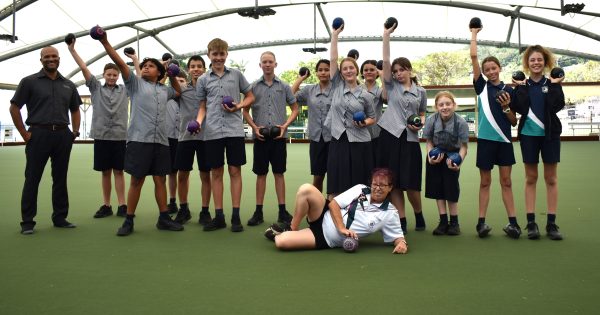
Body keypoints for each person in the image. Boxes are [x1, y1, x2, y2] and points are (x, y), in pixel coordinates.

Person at [98, 30, 183, 236]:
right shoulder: (134, 84)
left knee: (160, 179)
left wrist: (172, 75)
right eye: (144, 65)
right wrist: (105, 41)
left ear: (159, 73)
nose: (145, 67)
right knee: (136, 180)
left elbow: (178, 90)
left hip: (161, 142)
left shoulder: (164, 90)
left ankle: (164, 218)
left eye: (151, 66)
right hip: (139, 141)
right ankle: (129, 220)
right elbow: (118, 61)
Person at [9, 46, 82, 234]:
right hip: (38, 134)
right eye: (47, 56)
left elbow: (75, 109)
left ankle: (60, 217)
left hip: (62, 136)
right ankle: (27, 222)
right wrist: (24, 133)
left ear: (59, 59)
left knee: (60, 178)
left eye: (54, 56)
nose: (51, 59)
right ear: (40, 60)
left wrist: (74, 131)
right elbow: (14, 108)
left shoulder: (68, 84)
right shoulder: (29, 82)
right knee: (32, 178)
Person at [264, 168, 408, 254]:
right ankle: (293, 228)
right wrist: (341, 228)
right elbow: (333, 204)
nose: (377, 188)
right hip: (323, 213)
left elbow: (397, 236)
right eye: (375, 184)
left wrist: (401, 244)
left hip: (327, 237)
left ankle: (284, 234)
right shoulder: (361, 189)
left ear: (390, 187)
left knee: (281, 242)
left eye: (382, 185)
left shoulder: (390, 212)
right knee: (305, 189)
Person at [194, 38, 255, 232]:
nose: (218, 58)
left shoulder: (236, 75)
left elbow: (251, 96)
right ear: (209, 55)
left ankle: (235, 216)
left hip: (234, 131)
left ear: (226, 55)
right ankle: (219, 216)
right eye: (215, 54)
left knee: (235, 172)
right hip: (212, 131)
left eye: (222, 54)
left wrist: (238, 106)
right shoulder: (203, 80)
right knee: (216, 173)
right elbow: (202, 107)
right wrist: (198, 122)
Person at [67, 37, 129, 219]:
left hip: (119, 136)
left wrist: (134, 61)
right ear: (103, 75)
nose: (111, 77)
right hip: (102, 136)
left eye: (114, 75)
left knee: (119, 172)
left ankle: (122, 205)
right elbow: (84, 68)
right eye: (108, 74)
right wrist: (72, 50)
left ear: (118, 76)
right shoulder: (95, 88)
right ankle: (106, 205)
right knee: (105, 172)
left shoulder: (126, 90)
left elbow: (136, 77)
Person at [469, 27, 520, 239]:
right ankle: (481, 223)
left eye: (493, 68)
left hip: (504, 141)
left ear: (500, 68)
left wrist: (507, 107)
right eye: (486, 69)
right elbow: (473, 56)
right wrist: (474, 33)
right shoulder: (481, 87)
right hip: (486, 142)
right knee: (485, 182)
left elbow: (514, 121)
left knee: (506, 182)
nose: (490, 71)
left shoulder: (510, 90)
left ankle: (513, 223)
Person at [510, 45, 565, 241]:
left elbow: (557, 105)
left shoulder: (552, 83)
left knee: (551, 179)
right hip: (528, 135)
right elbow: (518, 106)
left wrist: (555, 84)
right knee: (531, 178)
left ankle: (551, 223)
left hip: (549, 136)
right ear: (527, 63)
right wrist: (521, 87)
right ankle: (531, 223)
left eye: (539, 60)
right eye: (532, 60)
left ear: (545, 62)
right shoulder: (523, 85)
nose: (536, 63)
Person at [378, 22, 427, 233]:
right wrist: (386, 35)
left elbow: (424, 113)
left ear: (409, 70)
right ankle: (402, 220)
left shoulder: (421, 92)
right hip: (388, 137)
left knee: (412, 184)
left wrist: (420, 124)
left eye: (401, 70)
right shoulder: (391, 86)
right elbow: (386, 60)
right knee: (394, 183)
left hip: (410, 140)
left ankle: (419, 215)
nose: (398, 73)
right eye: (395, 71)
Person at [243, 51, 299, 227]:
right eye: (264, 62)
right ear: (260, 65)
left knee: (279, 173)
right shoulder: (252, 87)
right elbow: (244, 110)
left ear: (276, 64)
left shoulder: (284, 86)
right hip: (260, 138)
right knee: (261, 174)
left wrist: (284, 126)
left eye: (270, 62)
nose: (267, 64)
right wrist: (254, 127)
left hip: (278, 138)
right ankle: (258, 212)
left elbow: (295, 108)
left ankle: (282, 211)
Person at [326, 23, 376, 197]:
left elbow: (373, 118)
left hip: (361, 142)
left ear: (357, 71)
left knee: (360, 184)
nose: (348, 71)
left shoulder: (366, 94)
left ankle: (360, 218)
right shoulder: (337, 86)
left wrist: (365, 123)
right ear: (340, 72)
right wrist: (335, 35)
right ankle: (333, 218)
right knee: (337, 183)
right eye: (345, 68)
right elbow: (333, 60)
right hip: (339, 140)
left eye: (351, 68)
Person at [172, 55, 212, 226]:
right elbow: (171, 84)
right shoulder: (181, 89)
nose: (196, 69)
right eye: (193, 66)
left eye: (199, 66)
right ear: (188, 69)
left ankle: (205, 211)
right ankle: (183, 209)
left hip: (206, 138)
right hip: (185, 137)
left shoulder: (211, 90)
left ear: (204, 69)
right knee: (182, 175)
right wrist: (169, 71)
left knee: (206, 175)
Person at [423, 91, 469, 236]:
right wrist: (430, 157)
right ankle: (443, 222)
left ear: (454, 105)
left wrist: (459, 162)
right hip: (436, 155)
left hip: (452, 156)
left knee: (451, 189)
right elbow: (428, 141)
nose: (445, 107)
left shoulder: (460, 122)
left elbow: (464, 147)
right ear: (436, 107)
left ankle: (454, 223)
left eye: (448, 104)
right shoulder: (431, 119)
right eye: (441, 104)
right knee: (438, 189)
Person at [291, 60, 333, 193]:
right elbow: (291, 95)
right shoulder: (309, 90)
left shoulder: (338, 89)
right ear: (316, 73)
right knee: (318, 176)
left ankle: (333, 209)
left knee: (334, 177)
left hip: (334, 138)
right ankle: (317, 208)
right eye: (320, 70)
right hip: (316, 138)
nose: (323, 72)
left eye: (326, 69)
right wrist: (301, 78)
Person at [360, 59, 386, 162]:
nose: (369, 72)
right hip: (359, 133)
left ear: (377, 72)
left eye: (372, 69)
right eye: (366, 70)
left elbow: (386, 99)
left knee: (377, 165)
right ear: (362, 73)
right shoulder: (357, 89)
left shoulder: (381, 90)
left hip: (377, 135)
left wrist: (383, 76)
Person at [166, 80, 180, 216]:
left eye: (182, 81)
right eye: (177, 82)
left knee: (182, 173)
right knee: (168, 172)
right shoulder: (167, 98)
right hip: (168, 138)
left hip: (183, 138)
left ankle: (181, 203)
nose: (179, 84)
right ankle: (170, 201)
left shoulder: (188, 98)